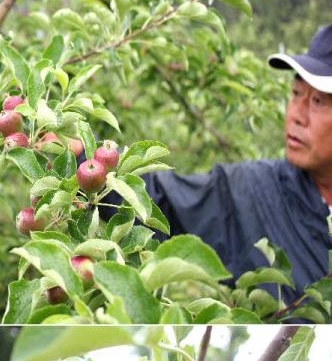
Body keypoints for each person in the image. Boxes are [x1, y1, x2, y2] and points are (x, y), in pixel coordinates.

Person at [132, 24, 332, 305]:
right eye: (296, 94)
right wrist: (83, 157)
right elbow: (159, 200)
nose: (296, 115)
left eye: (319, 101)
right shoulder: (256, 192)